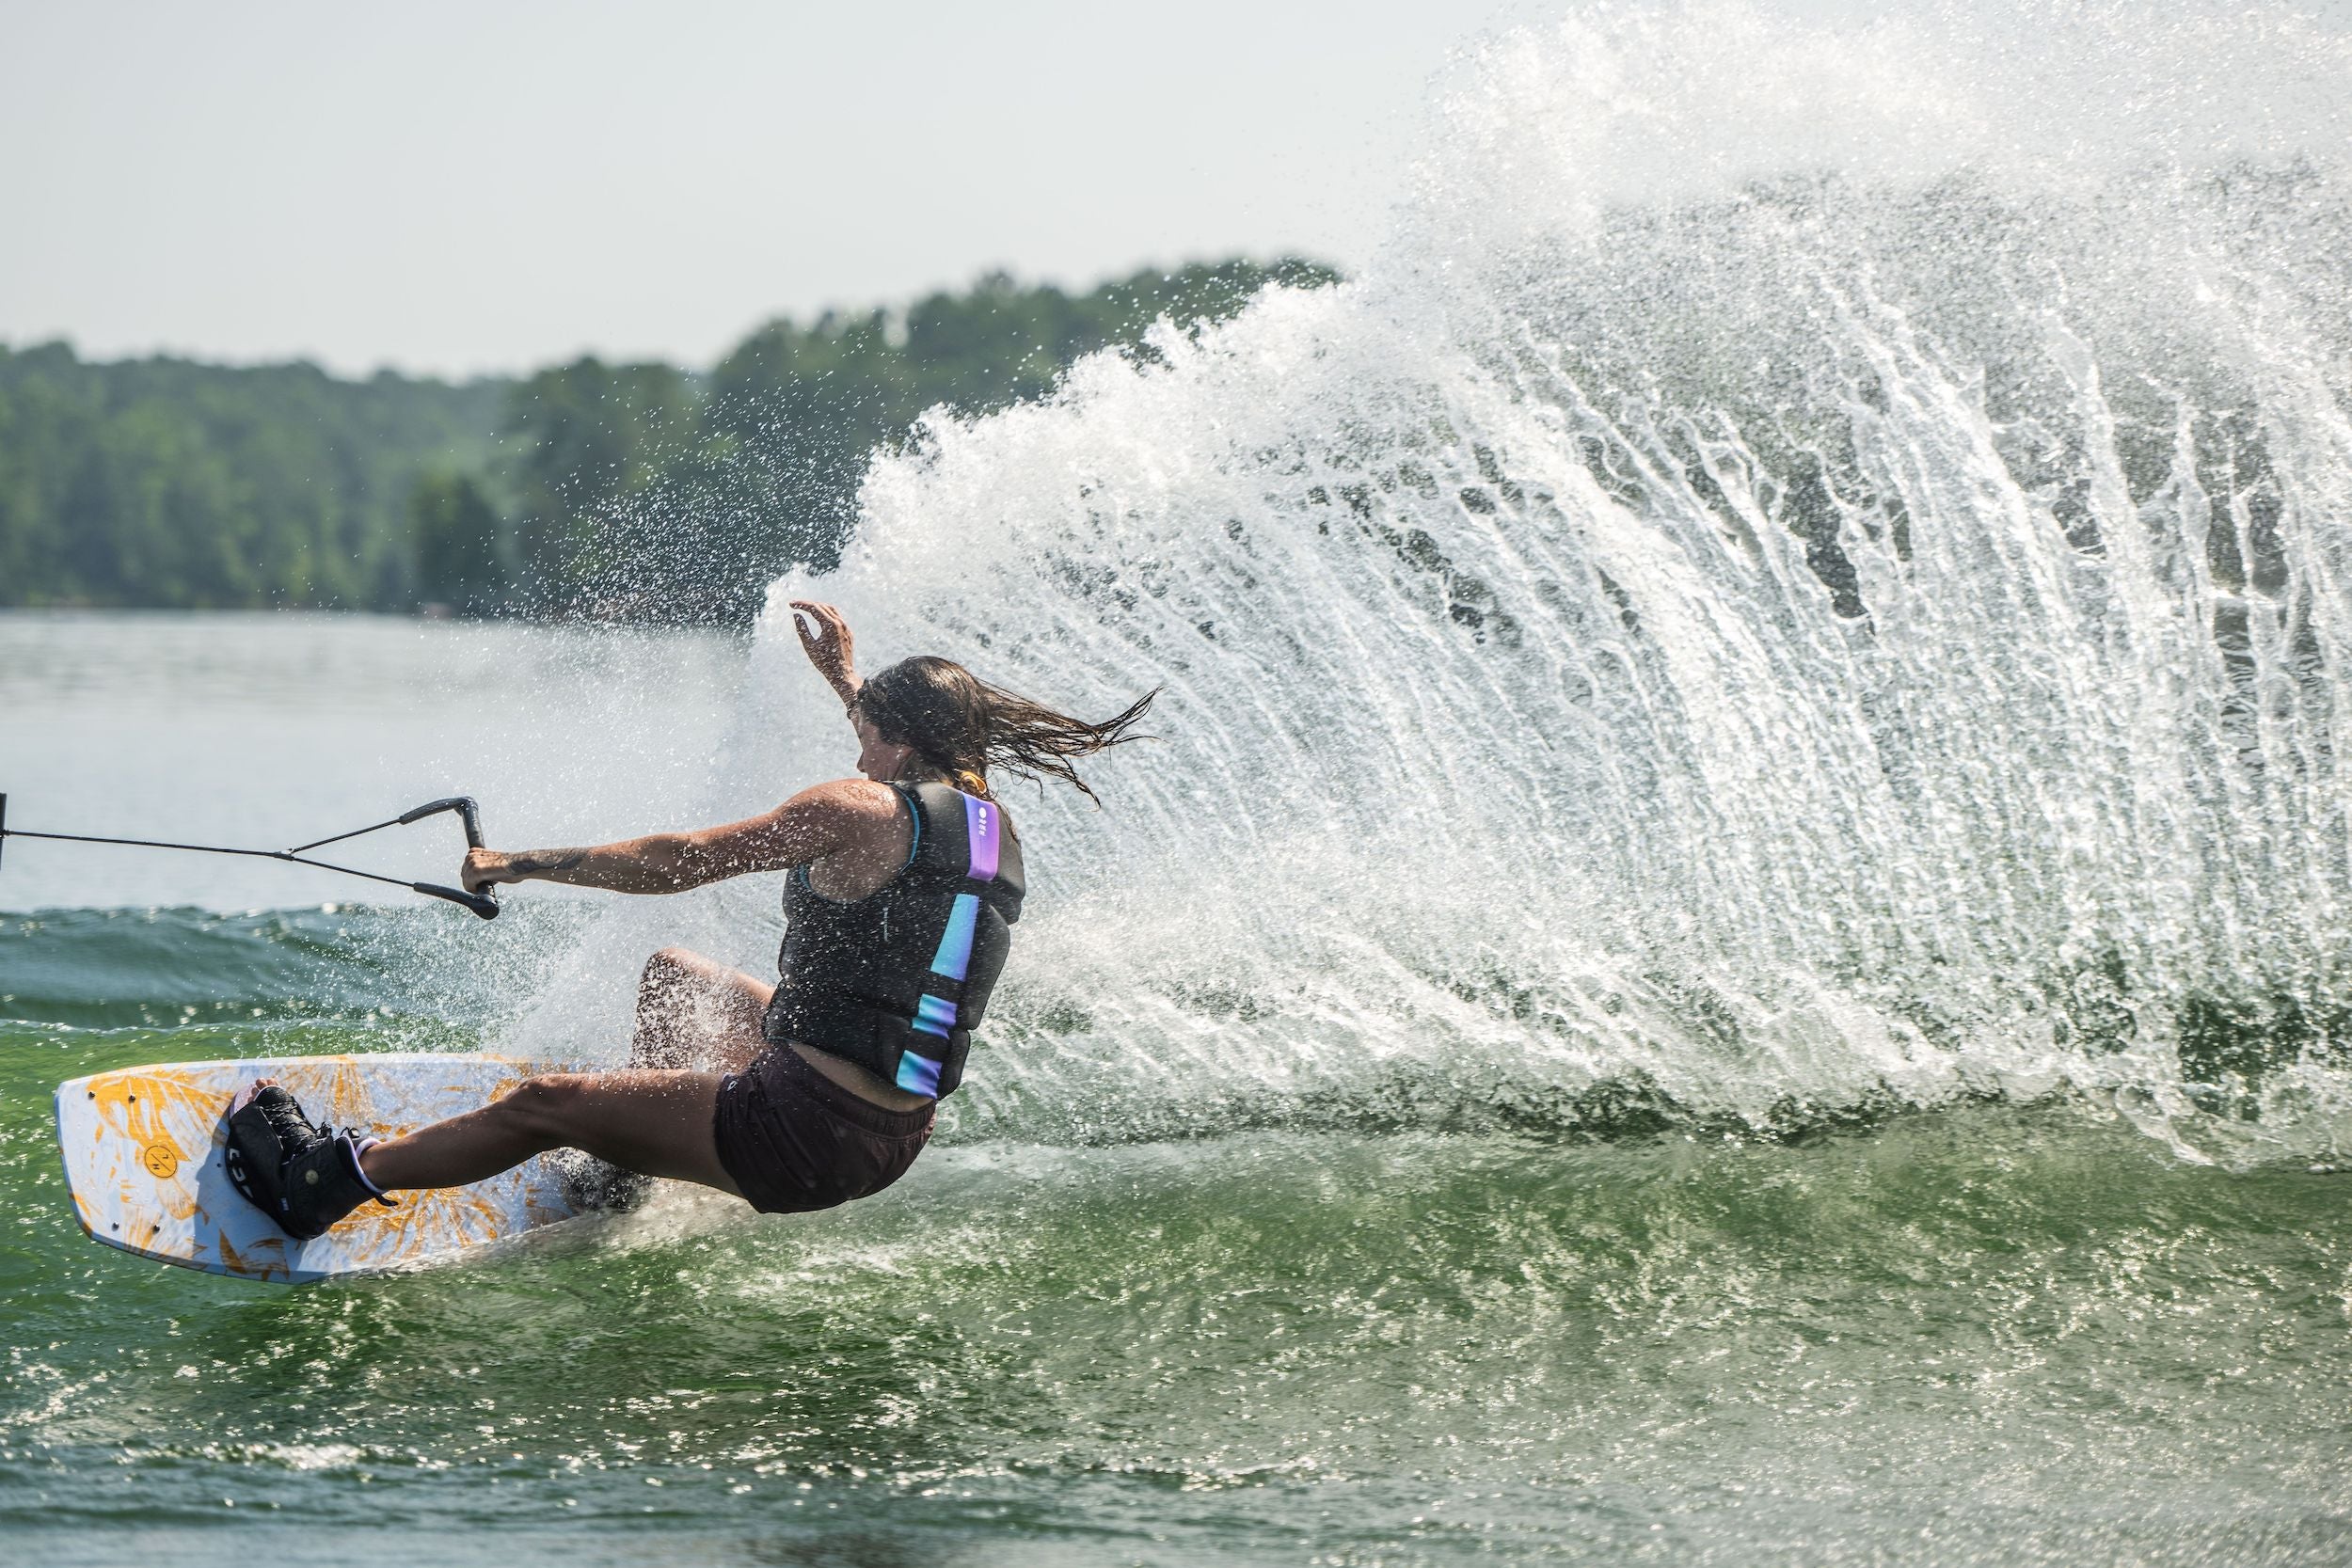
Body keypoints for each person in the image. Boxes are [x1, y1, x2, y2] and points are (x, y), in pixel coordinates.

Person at [223, 601, 1154, 1240]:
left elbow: (682, 857)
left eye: (866, 728)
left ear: (899, 742)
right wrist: (850, 680)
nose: (854, 744)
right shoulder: (991, 828)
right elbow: (903, 777)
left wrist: (522, 862)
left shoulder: (857, 807)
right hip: (887, 1135)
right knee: (675, 975)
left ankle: (325, 1181)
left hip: (799, 1129)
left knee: (541, 1107)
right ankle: (625, 1172)